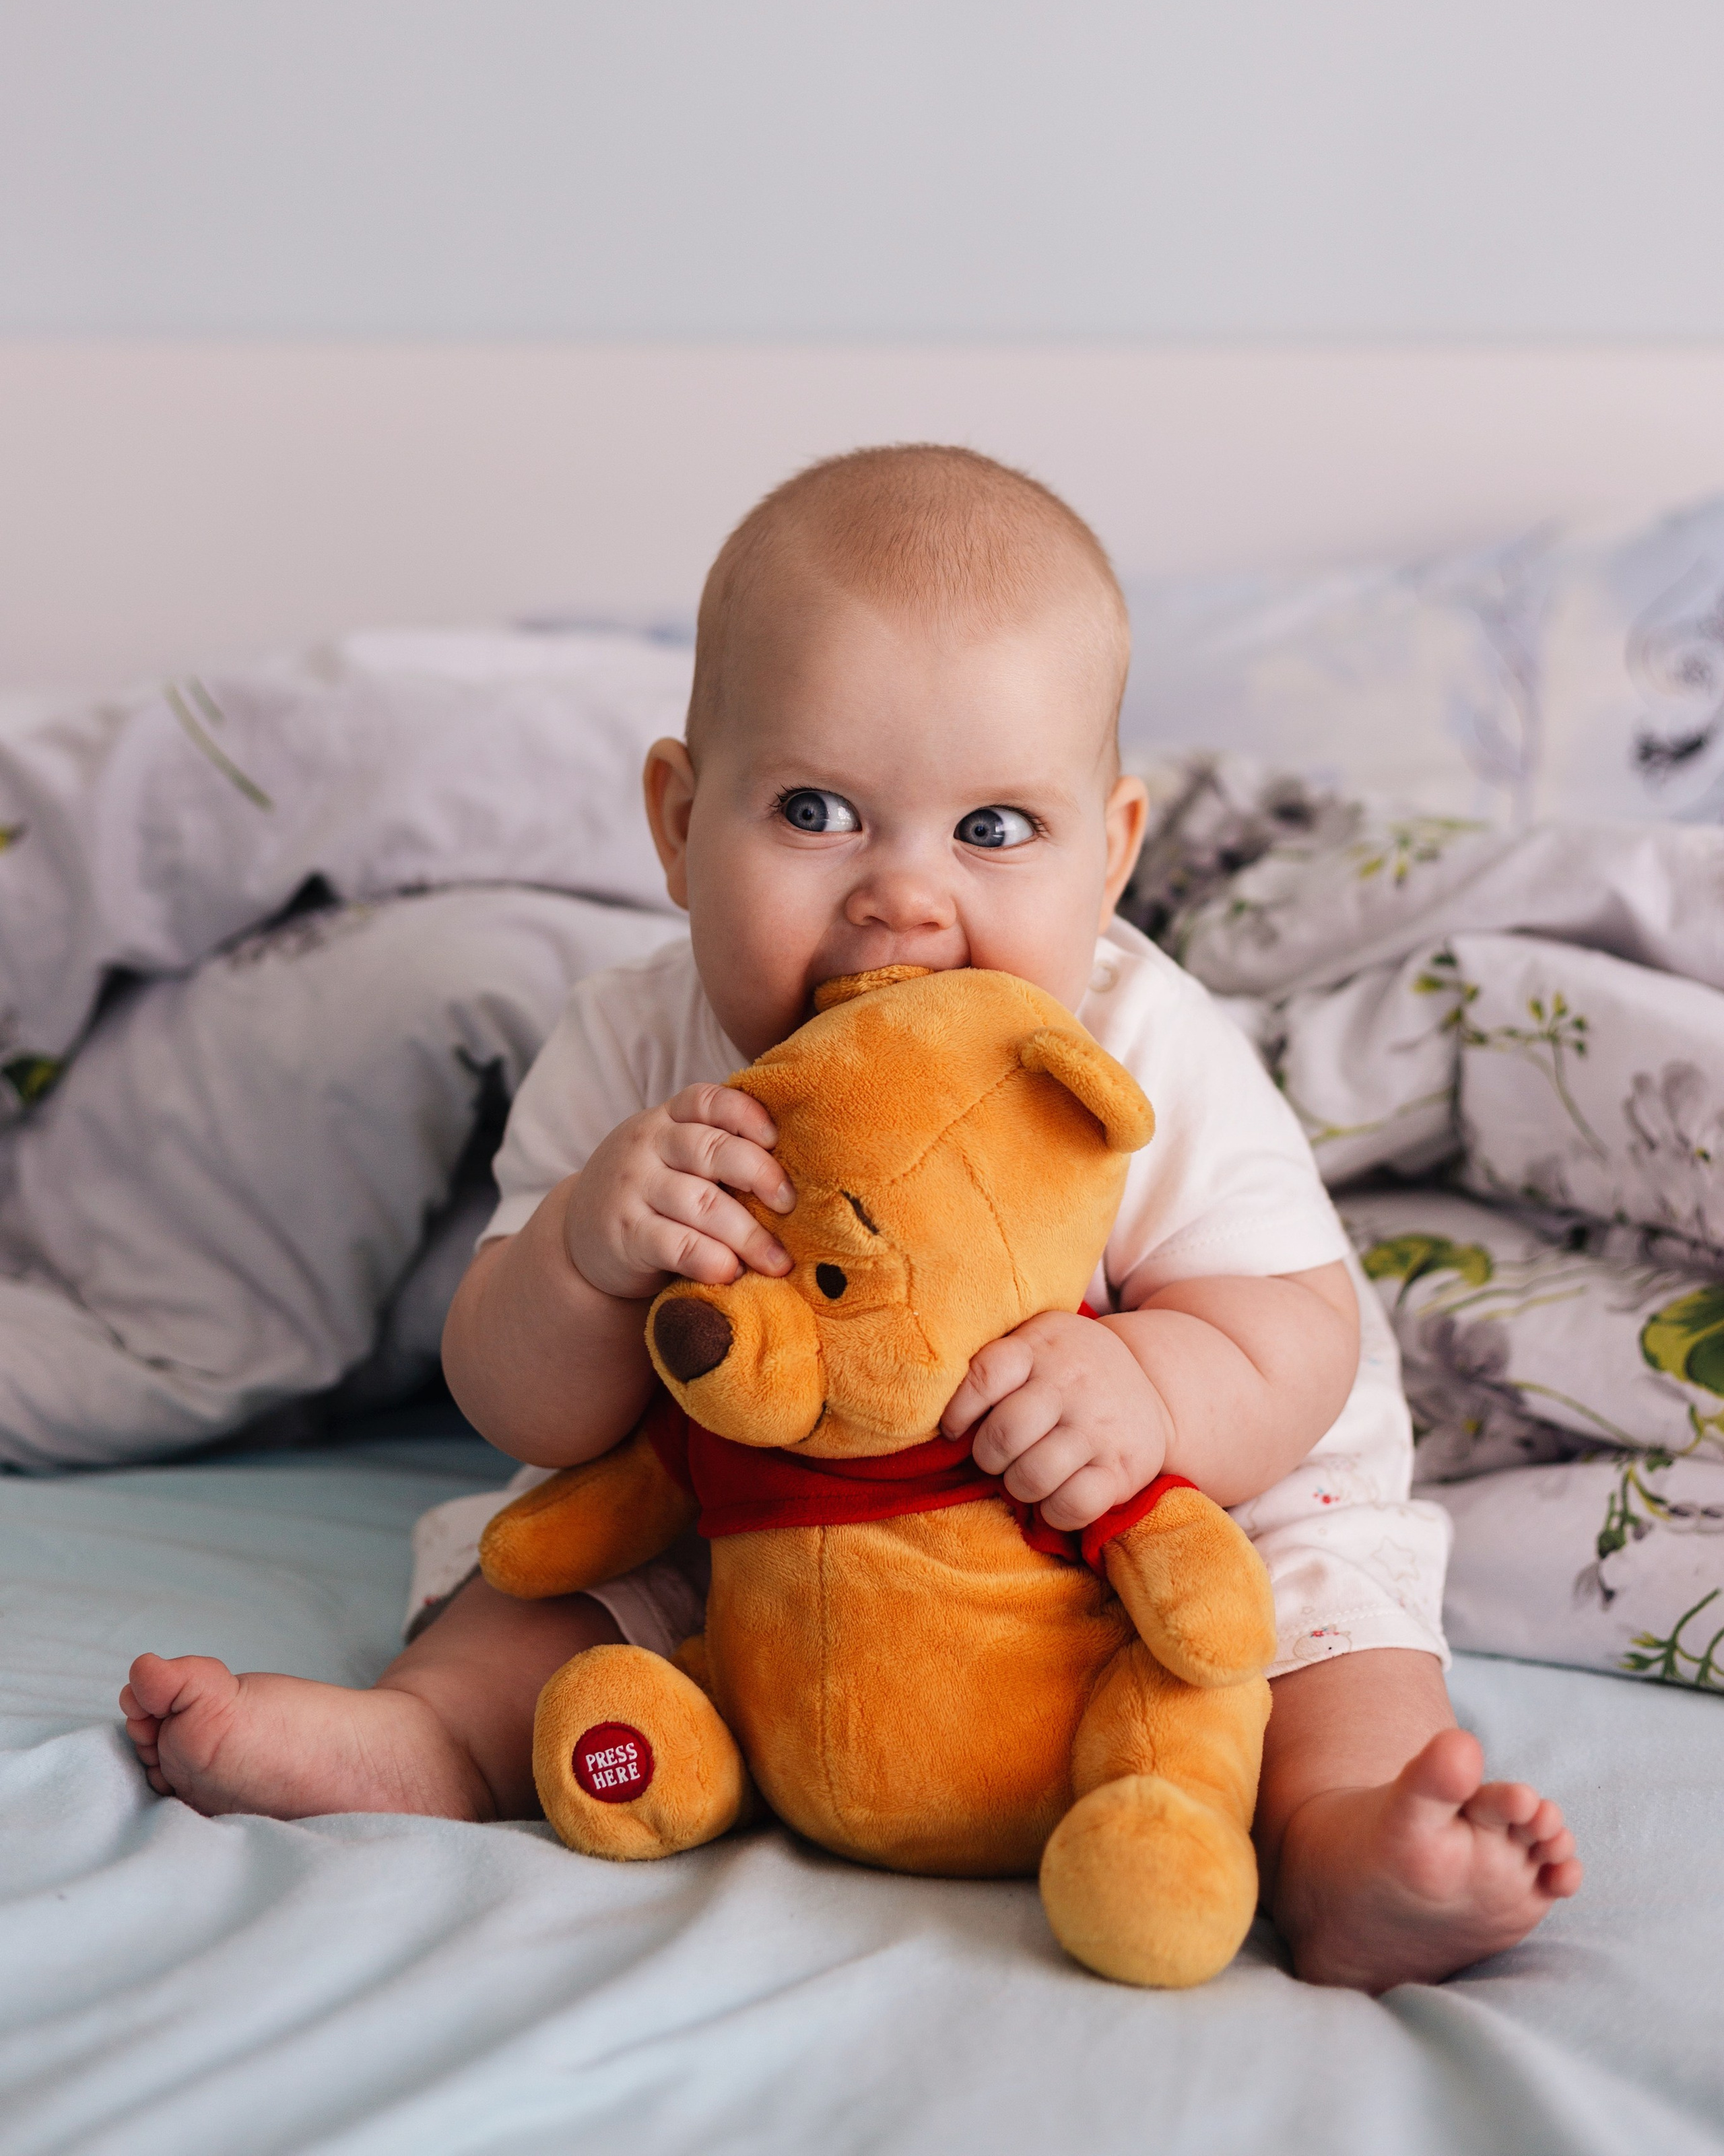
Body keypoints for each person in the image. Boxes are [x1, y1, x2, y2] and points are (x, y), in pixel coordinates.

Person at [120, 445, 1581, 1992]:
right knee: (547, 1577)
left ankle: (1346, 1848)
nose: (901, 898)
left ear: (1111, 853)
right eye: (815, 811)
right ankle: (429, 1743)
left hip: (1147, 1518)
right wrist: (583, 1254)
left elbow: (1296, 1333)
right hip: (757, 1533)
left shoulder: (1130, 1050)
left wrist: (1152, 1388)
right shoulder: (636, 1047)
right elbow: (520, 1402)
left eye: (993, 830)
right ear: (679, 823)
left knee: (1319, 1612)